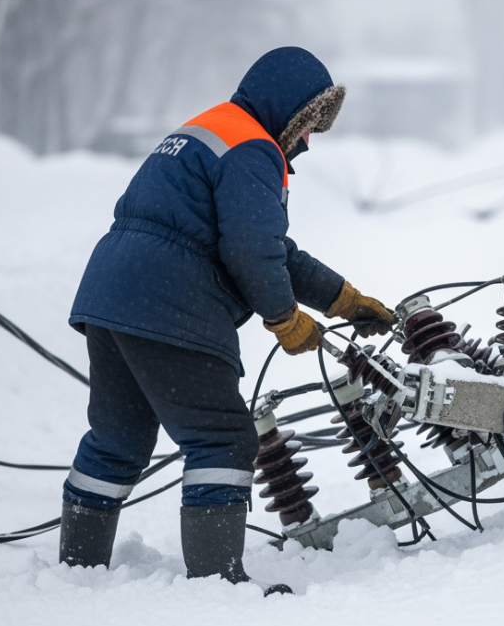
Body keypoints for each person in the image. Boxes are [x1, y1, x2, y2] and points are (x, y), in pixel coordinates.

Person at [59, 47, 395, 588]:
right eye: (309, 125)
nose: (307, 142)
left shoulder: (209, 130)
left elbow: (270, 249)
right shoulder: (252, 148)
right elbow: (250, 248)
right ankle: (218, 583)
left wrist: (343, 300)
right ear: (289, 109)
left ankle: (77, 572)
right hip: (169, 301)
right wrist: (285, 318)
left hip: (110, 294)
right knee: (222, 437)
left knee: (117, 438)